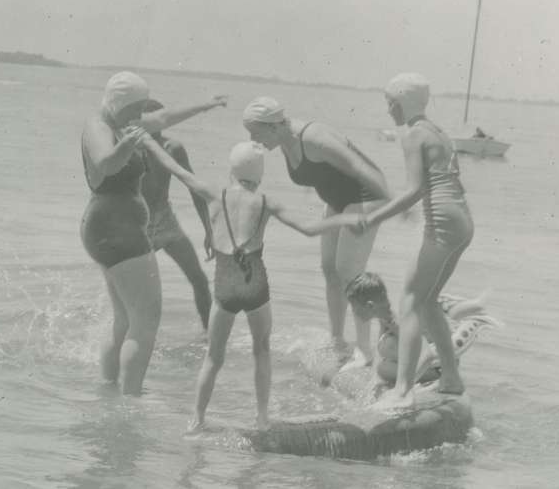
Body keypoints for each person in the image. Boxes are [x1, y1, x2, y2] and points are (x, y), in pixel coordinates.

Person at [144, 139, 365, 430]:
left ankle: (197, 419)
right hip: (255, 284)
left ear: (231, 170)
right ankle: (262, 417)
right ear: (259, 175)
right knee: (261, 350)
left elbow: (174, 168)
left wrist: (148, 140)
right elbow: (309, 229)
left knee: (213, 356)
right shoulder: (266, 202)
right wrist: (346, 218)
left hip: (225, 283)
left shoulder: (214, 193)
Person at [79, 72, 226, 395]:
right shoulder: (98, 126)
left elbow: (165, 117)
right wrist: (129, 143)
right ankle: (131, 399)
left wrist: (207, 105)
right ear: (117, 103)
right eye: (134, 109)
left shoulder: (122, 122)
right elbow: (105, 163)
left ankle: (108, 391)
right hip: (117, 230)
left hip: (111, 228)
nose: (139, 117)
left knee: (124, 320)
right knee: (145, 322)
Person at [241, 97, 390, 368]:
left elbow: (361, 168)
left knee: (350, 274)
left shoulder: (314, 138)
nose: (253, 140)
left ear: (272, 125)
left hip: (365, 198)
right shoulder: (285, 141)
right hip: (337, 202)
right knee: (329, 270)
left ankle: (365, 351)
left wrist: (390, 205)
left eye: (255, 133)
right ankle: (337, 342)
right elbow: (321, 174)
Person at [358, 73, 475, 408]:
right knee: (427, 300)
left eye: (389, 103)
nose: (388, 109)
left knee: (409, 302)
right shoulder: (438, 131)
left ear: (401, 102)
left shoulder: (411, 134)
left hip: (442, 221)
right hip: (463, 221)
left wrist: (372, 219)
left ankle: (403, 390)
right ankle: (450, 378)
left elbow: (413, 192)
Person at [345, 272, 492, 397]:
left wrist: (404, 389)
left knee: (388, 349)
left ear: (370, 306)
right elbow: (379, 355)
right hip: (427, 363)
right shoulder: (384, 316)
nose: (353, 312)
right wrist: (373, 381)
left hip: (437, 367)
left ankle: (433, 384)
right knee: (382, 366)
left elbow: (425, 353)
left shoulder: (398, 322)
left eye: (354, 307)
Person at [139, 99, 214, 330]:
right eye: (150, 119)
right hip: (137, 226)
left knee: (199, 280)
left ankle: (209, 337)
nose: (158, 125)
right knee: (140, 292)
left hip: (166, 222)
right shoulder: (131, 148)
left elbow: (193, 187)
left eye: (162, 118)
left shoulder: (173, 148)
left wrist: (208, 229)